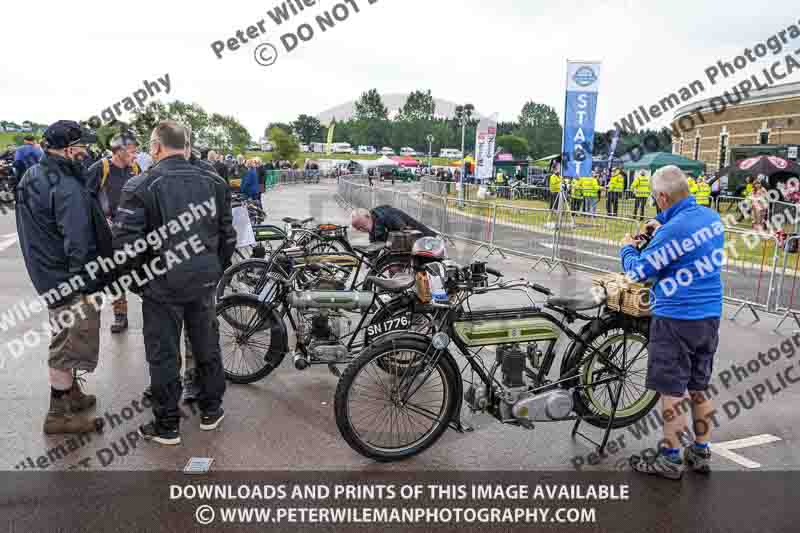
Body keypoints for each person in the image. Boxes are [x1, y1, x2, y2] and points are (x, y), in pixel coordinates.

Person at [113, 120, 236, 445]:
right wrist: (214, 269)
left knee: (164, 354)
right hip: (202, 280)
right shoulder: (214, 181)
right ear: (188, 145)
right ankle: (211, 408)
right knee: (206, 344)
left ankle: (167, 425)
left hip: (162, 285)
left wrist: (140, 282)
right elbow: (228, 236)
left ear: (155, 147)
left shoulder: (140, 185)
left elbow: (126, 247)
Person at [620, 165, 723, 480]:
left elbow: (639, 272)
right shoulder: (711, 218)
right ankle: (701, 450)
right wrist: (661, 222)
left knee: (673, 390)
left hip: (677, 317)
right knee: (699, 385)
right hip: (709, 315)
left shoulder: (671, 231)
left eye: (655, 198)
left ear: (662, 196)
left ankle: (669, 458)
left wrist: (626, 247)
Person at [16, 121, 109, 434]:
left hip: (47, 271)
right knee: (67, 341)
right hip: (69, 276)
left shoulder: (33, 174)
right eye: (82, 145)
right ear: (69, 149)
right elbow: (77, 240)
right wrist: (85, 281)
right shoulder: (66, 184)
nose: (86, 151)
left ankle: (71, 393)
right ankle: (58, 413)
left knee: (64, 334)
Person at [85, 134, 141, 334]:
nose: (135, 154)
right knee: (116, 274)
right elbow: (86, 200)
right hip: (109, 233)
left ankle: (153, 309)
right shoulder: (100, 168)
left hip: (132, 232)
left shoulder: (134, 169)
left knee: (141, 270)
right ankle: (120, 314)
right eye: (132, 150)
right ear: (118, 151)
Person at [351, 206, 437, 243]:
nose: (362, 230)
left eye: (362, 226)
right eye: (359, 229)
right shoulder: (373, 222)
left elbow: (396, 220)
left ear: (367, 216)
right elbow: (374, 243)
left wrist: (402, 227)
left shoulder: (384, 215)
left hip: (426, 238)